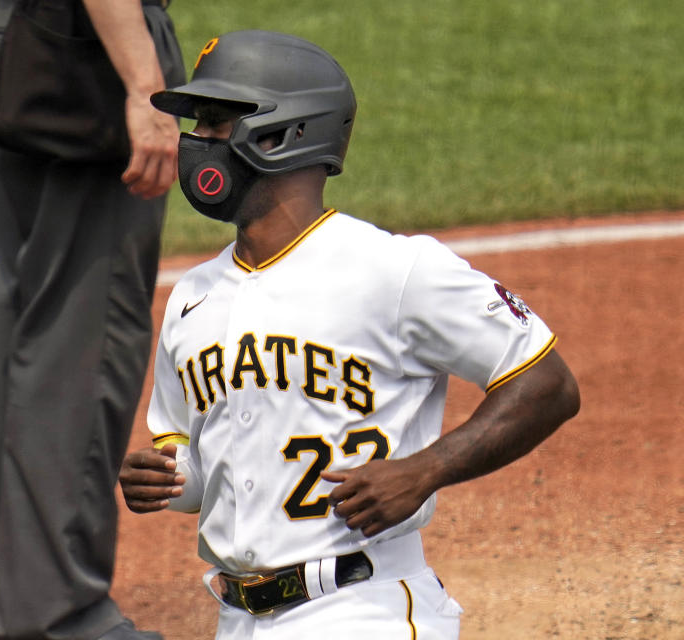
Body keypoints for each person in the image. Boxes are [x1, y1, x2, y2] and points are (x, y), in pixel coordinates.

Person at [119, 30, 581, 640]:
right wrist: (165, 477)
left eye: (214, 122)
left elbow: (548, 383)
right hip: (238, 620)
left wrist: (426, 469)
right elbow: (200, 468)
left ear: (284, 132)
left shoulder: (392, 269)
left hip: (363, 612)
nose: (195, 142)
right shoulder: (192, 297)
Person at [0, 1, 184, 639]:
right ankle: (62, 620)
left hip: (14, 46)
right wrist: (144, 85)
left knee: (22, 332)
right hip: (83, 61)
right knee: (85, 337)